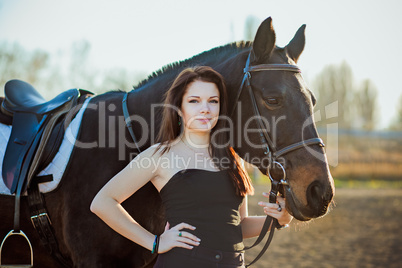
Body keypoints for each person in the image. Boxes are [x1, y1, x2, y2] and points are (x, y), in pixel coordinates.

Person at [90, 66, 293, 268]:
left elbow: (237, 226)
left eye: (213, 101)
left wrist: (279, 219)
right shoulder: (160, 155)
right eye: (194, 101)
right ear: (179, 107)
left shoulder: (232, 158)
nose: (205, 108)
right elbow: (103, 202)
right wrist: (154, 242)